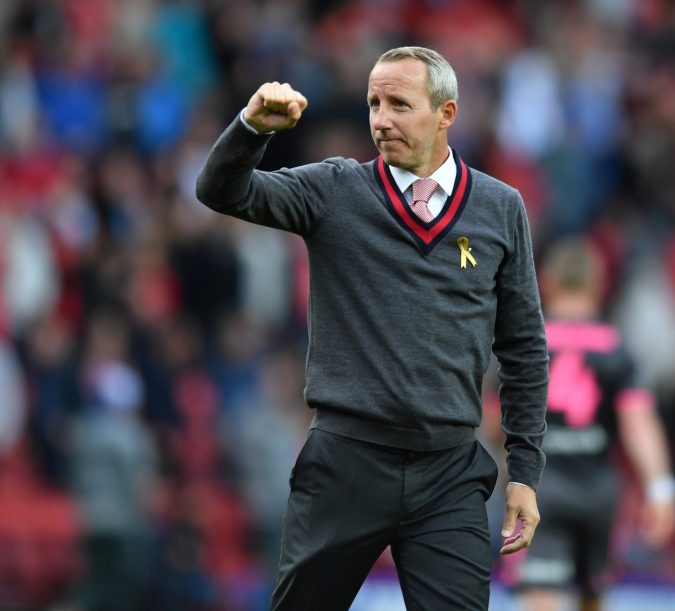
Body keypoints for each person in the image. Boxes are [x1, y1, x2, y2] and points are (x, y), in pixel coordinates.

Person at [196, 46, 549, 611]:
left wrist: (525, 474)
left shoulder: (500, 208)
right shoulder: (334, 189)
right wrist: (250, 129)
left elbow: (525, 349)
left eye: (399, 104)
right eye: (374, 104)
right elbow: (220, 190)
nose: (381, 120)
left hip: (449, 471)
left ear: (446, 113)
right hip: (347, 464)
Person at [506, 236, 675, 611]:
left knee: (539, 598)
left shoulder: (525, 342)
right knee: (593, 597)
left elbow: (495, 418)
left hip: (539, 487)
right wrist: (660, 488)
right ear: (599, 285)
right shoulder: (616, 347)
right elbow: (638, 422)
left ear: (546, 282)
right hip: (599, 492)